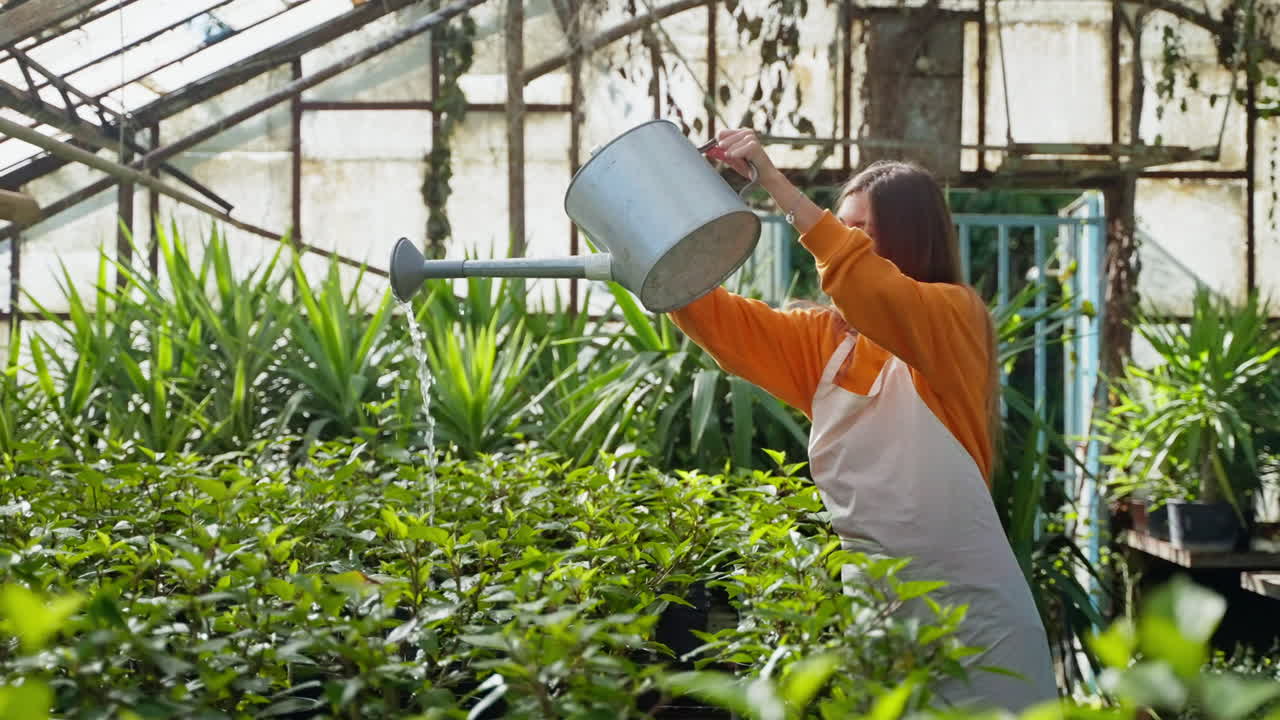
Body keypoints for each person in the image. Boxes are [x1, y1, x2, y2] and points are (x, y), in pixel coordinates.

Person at [668, 128, 1058, 713]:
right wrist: (668, 234)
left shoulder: (954, 319)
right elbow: (723, 325)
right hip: (878, 621)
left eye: (860, 229)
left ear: (908, 238)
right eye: (840, 225)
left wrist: (776, 185)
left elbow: (873, 290)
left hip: (978, 624)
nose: (841, 240)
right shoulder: (825, 343)